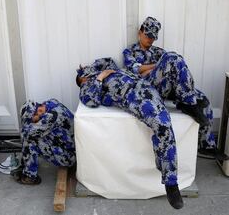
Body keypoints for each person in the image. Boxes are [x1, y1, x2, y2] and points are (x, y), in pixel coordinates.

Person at [76, 57, 184, 209]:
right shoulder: (89, 85)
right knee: (163, 125)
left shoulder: (109, 69)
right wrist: (99, 77)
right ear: (83, 80)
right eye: (85, 73)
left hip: (148, 85)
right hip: (135, 98)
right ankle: (171, 182)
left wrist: (96, 68)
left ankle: (189, 102)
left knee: (173, 58)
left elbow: (107, 61)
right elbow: (90, 100)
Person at [123, 16, 228, 160]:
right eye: (148, 35)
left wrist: (156, 68)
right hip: (147, 88)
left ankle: (205, 145)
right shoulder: (129, 52)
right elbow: (137, 70)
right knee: (172, 57)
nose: (150, 40)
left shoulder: (159, 52)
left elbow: (172, 70)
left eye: (153, 37)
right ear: (140, 32)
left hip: (167, 87)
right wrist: (158, 66)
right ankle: (187, 102)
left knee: (203, 99)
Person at [15, 99, 76, 184]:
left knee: (30, 140)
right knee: (35, 133)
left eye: (34, 120)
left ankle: (29, 177)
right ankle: (27, 164)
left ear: (39, 111)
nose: (34, 122)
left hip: (69, 157)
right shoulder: (51, 103)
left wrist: (29, 126)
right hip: (68, 146)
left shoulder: (50, 117)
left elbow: (26, 134)